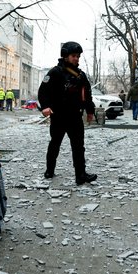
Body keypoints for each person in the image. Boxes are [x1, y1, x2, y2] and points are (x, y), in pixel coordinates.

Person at [38, 41, 97, 185]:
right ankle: (49, 170)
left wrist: (90, 110)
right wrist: (45, 106)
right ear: (65, 56)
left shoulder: (81, 75)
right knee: (55, 144)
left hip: (75, 117)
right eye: (73, 56)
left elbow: (87, 94)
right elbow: (43, 91)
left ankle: (80, 175)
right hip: (59, 116)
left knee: (78, 146)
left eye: (78, 56)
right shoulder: (55, 72)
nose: (76, 58)